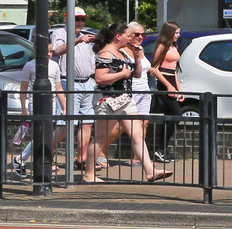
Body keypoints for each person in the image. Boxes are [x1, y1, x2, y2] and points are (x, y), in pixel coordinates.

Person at [92, 22, 167, 183]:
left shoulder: (123, 53)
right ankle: (89, 173)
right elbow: (100, 78)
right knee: (100, 138)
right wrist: (123, 74)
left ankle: (149, 171)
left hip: (125, 100)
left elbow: (137, 75)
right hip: (108, 100)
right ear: (118, 36)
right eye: (128, 35)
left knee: (137, 135)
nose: (131, 38)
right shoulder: (106, 54)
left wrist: (138, 59)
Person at [50, 11, 99, 177]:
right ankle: (46, 155)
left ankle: (82, 158)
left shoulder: (86, 37)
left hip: (86, 83)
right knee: (65, 124)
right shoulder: (60, 33)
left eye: (82, 20)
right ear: (67, 19)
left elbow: (92, 58)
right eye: (76, 19)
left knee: (87, 122)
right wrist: (77, 40)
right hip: (68, 82)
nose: (80, 23)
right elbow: (57, 50)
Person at [145, 21, 183, 162]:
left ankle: (164, 149)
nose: (178, 35)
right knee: (176, 114)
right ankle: (160, 149)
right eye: (176, 33)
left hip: (172, 80)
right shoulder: (162, 46)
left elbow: (175, 70)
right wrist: (168, 86)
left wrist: (179, 89)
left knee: (171, 116)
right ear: (170, 33)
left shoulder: (174, 46)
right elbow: (155, 69)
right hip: (164, 82)